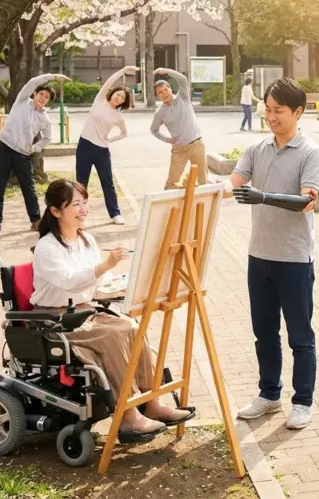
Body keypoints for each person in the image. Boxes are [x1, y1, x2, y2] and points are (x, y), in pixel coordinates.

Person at [30, 180, 192, 441]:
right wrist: (106, 265)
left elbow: (97, 285)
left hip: (84, 313)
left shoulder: (87, 240)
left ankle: (151, 402)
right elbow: (69, 280)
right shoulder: (47, 247)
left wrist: (125, 284)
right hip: (55, 321)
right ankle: (128, 416)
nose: (82, 210)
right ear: (56, 211)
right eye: (75, 205)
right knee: (114, 336)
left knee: (132, 327)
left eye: (84, 203)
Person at [229, 77, 319, 430]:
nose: (271, 117)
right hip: (259, 257)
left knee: (300, 335)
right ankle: (269, 395)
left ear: (297, 112)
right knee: (264, 333)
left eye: (278, 111)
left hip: (295, 260)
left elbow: (306, 203)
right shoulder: (257, 149)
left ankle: (302, 401)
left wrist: (264, 197)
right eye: (267, 110)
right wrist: (198, 192)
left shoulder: (311, 152)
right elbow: (232, 183)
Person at [0, 73, 70, 235]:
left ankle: (36, 220)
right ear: (35, 94)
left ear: (48, 101)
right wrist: (53, 76)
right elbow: (33, 81)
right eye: (41, 94)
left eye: (47, 97)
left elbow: (47, 138)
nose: (43, 98)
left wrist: (34, 148)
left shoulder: (44, 119)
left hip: (22, 155)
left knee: (29, 189)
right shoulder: (22, 101)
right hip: (4, 148)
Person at [76, 66, 135, 226]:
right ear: (112, 94)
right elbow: (109, 82)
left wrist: (110, 140)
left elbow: (124, 134)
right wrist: (123, 70)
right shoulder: (99, 101)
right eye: (118, 95)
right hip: (85, 145)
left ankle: (115, 213)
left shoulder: (118, 116)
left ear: (124, 102)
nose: (119, 98)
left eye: (122, 98)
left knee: (107, 182)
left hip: (102, 150)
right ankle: (78, 215)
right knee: (81, 183)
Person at [151, 68, 207, 189]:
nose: (164, 93)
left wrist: (165, 71)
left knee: (203, 183)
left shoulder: (183, 97)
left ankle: (195, 200)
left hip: (197, 145)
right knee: (170, 186)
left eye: (166, 90)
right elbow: (153, 130)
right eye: (160, 92)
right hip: (179, 150)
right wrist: (168, 139)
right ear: (158, 96)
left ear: (171, 89)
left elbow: (183, 79)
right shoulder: (160, 112)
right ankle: (186, 191)